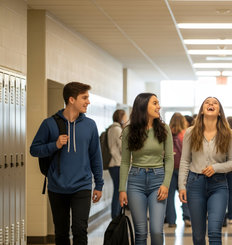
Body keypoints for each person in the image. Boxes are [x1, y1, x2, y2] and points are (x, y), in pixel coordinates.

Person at [30, 82, 104, 245]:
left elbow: (95, 157)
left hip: (82, 186)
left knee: (80, 230)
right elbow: (34, 150)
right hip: (57, 186)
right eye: (84, 98)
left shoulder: (90, 125)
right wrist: (54, 145)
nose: (88, 102)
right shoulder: (49, 124)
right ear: (71, 99)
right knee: (61, 233)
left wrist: (99, 184)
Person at [178, 97, 232, 245]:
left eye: (215, 103)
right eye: (207, 102)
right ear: (201, 110)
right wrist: (182, 186)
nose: (211, 104)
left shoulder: (229, 134)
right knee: (198, 236)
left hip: (218, 185)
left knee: (214, 231)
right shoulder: (191, 132)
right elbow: (185, 160)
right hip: (195, 184)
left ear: (219, 112)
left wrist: (216, 167)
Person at [118, 93, 174, 245]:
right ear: (143, 106)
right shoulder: (129, 131)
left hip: (158, 180)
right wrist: (122, 189)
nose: (159, 107)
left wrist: (166, 184)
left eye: (158, 103)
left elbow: (169, 159)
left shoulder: (164, 129)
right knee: (140, 232)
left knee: (156, 231)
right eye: (155, 103)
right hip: (136, 181)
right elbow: (124, 162)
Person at [165, 112, 191, 228]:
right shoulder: (185, 135)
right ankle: (187, 218)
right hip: (183, 169)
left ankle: (171, 220)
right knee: (184, 193)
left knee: (169, 196)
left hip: (170, 168)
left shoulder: (167, 134)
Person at [107, 109, 127, 219]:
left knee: (117, 190)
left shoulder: (111, 128)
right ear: (121, 118)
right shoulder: (117, 130)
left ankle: (116, 214)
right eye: (125, 117)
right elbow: (123, 148)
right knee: (119, 191)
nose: (126, 119)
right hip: (117, 164)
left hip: (113, 164)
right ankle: (116, 215)